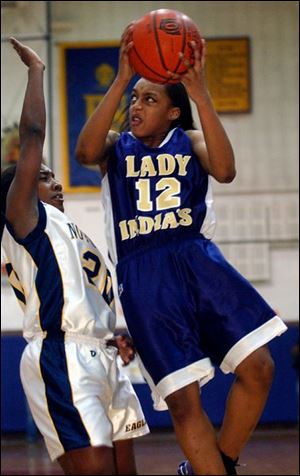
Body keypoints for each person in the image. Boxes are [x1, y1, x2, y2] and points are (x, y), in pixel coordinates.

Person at [75, 24, 288, 476]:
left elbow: (226, 171)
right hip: (144, 274)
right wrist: (121, 79)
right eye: (135, 97)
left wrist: (201, 94)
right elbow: (83, 150)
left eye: (149, 99)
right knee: (183, 400)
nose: (136, 106)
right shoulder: (116, 149)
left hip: (196, 258)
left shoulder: (189, 141)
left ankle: (221, 463)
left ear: (174, 112)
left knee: (260, 366)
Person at [1, 38, 149, 475]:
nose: (55, 181)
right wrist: (36, 71)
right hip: (62, 356)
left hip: (103, 358)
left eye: (51, 175)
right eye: (43, 176)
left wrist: (114, 335)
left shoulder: (71, 231)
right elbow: (32, 136)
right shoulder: (25, 218)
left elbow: (88, 297)